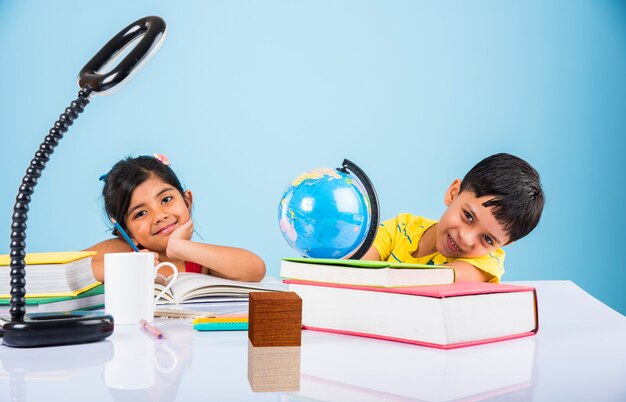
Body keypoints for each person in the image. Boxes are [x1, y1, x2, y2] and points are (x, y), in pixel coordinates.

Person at [362, 153, 544, 283]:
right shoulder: (402, 227)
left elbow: (432, 282)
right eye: (468, 216)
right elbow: (356, 268)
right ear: (453, 193)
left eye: (487, 239)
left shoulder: (485, 265)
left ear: (503, 244)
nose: (466, 238)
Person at [86, 154, 266, 283]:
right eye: (140, 213)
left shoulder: (198, 260)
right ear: (126, 232)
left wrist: (181, 247)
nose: (159, 216)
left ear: (187, 201)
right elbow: (63, 272)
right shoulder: (121, 250)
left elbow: (255, 269)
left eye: (166, 199)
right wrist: (125, 266)